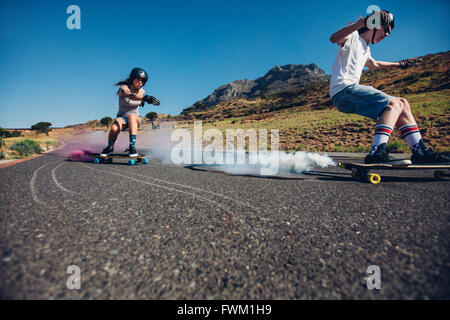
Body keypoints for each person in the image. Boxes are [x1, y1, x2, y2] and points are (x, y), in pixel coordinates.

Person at [329, 10, 449, 164]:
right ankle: (377, 152)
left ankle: (420, 151)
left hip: (349, 94)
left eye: (389, 32)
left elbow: (375, 65)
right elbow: (334, 38)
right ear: (373, 25)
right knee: (394, 103)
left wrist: (400, 64)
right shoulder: (352, 37)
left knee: (403, 104)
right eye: (386, 29)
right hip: (344, 91)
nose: (387, 35)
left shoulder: (366, 48)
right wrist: (360, 24)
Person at [101, 67, 160, 157]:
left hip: (136, 119)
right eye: (138, 79)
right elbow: (131, 96)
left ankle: (132, 147)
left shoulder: (142, 91)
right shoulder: (123, 88)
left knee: (132, 116)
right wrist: (145, 98)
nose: (140, 82)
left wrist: (144, 100)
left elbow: (140, 97)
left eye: (142, 80)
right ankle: (110, 147)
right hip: (122, 117)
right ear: (132, 78)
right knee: (114, 128)